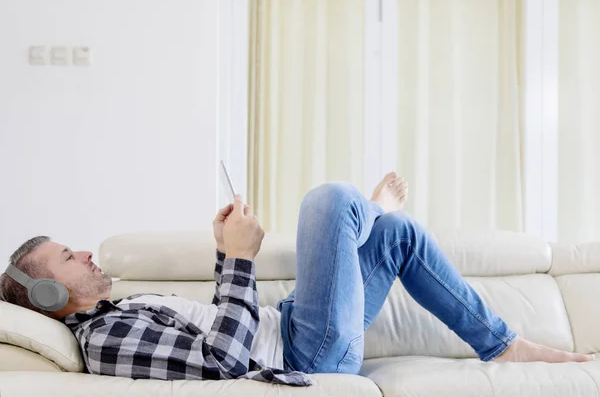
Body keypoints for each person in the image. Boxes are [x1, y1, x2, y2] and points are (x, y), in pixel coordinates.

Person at [0, 173, 593, 386]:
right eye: (67, 256)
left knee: (397, 235)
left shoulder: (127, 305)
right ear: (49, 294)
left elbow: (222, 327)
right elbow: (226, 364)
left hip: (294, 327)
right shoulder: (103, 340)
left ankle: (505, 345)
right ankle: (366, 208)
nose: (85, 251)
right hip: (307, 355)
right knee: (329, 201)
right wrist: (238, 261)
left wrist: (221, 251)